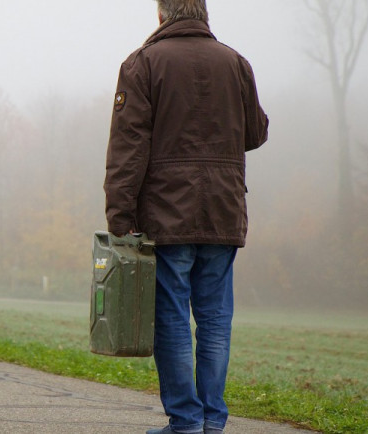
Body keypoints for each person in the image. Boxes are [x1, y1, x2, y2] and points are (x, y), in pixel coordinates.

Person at [103, 1, 269, 433]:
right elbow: (256, 133)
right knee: (215, 320)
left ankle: (186, 423)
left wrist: (120, 216)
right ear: (203, 13)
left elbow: (128, 148)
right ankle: (212, 422)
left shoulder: (142, 64)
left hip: (166, 213)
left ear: (162, 14)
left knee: (173, 317)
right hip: (223, 210)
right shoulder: (236, 63)